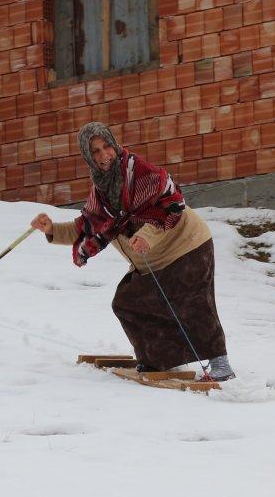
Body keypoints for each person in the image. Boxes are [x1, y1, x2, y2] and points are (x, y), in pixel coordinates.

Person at [31, 122, 236, 381]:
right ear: (88, 156)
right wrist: (51, 229)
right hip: (151, 260)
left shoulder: (141, 174)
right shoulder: (101, 192)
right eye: (96, 151)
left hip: (187, 244)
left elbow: (172, 205)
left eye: (107, 147)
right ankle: (160, 359)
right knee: (128, 302)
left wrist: (146, 235)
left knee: (193, 303)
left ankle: (221, 363)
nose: (104, 155)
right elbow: (85, 227)